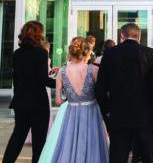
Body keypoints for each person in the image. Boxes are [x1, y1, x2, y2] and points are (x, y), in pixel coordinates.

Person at [95, 23, 153, 163]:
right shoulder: (150, 53)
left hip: (119, 116)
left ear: (122, 35)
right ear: (139, 36)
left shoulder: (109, 54)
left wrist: (107, 110)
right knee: (150, 158)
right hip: (145, 117)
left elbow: (100, 88)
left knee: (117, 158)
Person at [38, 37, 109, 163]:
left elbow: (58, 101)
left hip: (72, 113)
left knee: (70, 145)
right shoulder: (94, 69)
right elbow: (101, 93)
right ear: (87, 52)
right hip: (91, 112)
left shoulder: (62, 71)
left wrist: (70, 98)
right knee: (91, 146)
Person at [3, 21, 56, 163]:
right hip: (38, 102)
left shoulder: (17, 53)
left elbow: (16, 79)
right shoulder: (41, 53)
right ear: (38, 34)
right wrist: (60, 83)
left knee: (17, 137)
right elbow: (42, 79)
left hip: (21, 100)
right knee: (39, 140)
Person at [25, 41, 54, 144]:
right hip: (44, 86)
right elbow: (43, 76)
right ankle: (44, 135)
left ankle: (31, 137)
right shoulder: (45, 58)